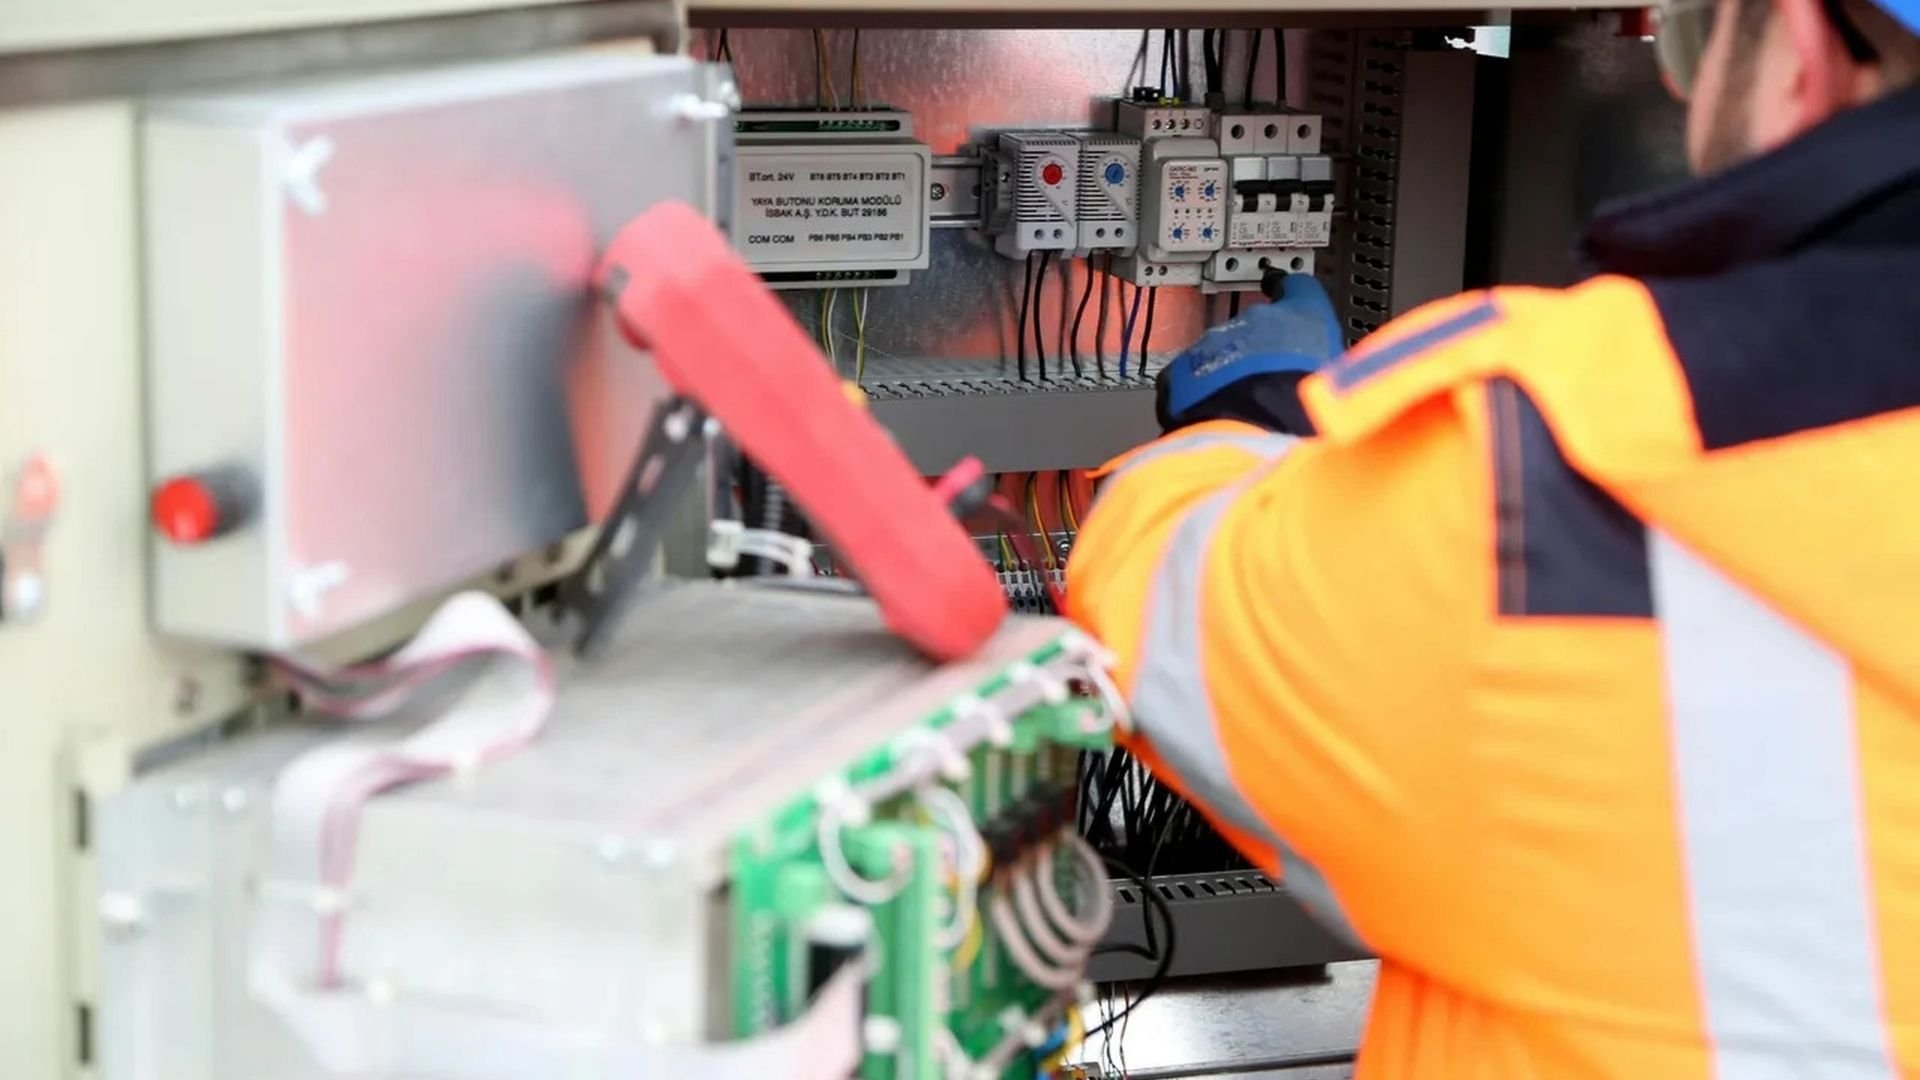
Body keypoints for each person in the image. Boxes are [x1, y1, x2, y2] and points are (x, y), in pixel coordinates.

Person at [1064, 0, 1920, 1072]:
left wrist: (1258, 420)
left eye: (1695, 38)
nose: (1677, 85)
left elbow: (1160, 603)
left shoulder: (1573, 459)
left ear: (1800, 52)